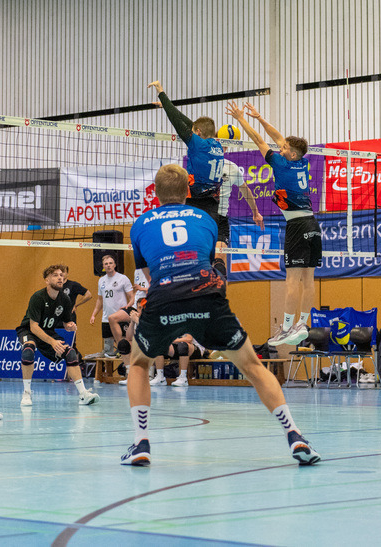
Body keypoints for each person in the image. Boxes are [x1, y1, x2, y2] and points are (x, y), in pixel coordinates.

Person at [120, 163, 319, 467]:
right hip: (207, 298)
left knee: (138, 363)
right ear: (188, 189)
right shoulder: (204, 218)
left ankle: (140, 443)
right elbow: (209, 261)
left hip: (164, 300)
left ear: (155, 193)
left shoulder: (140, 224)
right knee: (252, 365)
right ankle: (295, 435)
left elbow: (149, 273)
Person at [226, 101, 318, 347]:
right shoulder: (301, 162)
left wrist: (243, 119)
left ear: (291, 153)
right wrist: (260, 117)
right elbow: (278, 137)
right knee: (308, 281)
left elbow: (259, 140)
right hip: (312, 224)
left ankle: (287, 328)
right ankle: (302, 324)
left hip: (297, 227)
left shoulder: (281, 163)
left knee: (292, 281)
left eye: (285, 147)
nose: (281, 147)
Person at [148, 80, 227, 276]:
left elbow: (178, 122)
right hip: (212, 204)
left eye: (194, 132)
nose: (191, 133)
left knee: (193, 249)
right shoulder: (217, 145)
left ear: (198, 134)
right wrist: (166, 107)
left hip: (195, 203)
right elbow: (189, 123)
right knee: (206, 250)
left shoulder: (197, 144)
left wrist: (162, 94)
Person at [17, 263, 99, 408]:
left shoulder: (65, 299)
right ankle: (26, 393)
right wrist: (53, 342)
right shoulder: (38, 297)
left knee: (70, 353)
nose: (60, 278)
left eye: (61, 275)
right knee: (28, 350)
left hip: (48, 332)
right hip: (29, 331)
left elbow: (66, 321)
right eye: (55, 275)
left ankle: (83, 394)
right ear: (47, 280)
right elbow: (34, 327)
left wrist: (69, 326)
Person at [214, 158, 264, 274]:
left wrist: (255, 213)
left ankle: (221, 291)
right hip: (203, 218)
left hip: (220, 218)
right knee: (202, 261)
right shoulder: (198, 162)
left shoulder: (231, 167)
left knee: (219, 261)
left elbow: (245, 190)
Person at [89, 255, 133, 359]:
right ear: (103, 266)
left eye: (110, 263)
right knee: (107, 351)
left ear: (115, 265)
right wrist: (94, 314)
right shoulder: (101, 281)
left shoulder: (122, 278)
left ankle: (127, 367)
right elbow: (100, 300)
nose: (108, 265)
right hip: (106, 317)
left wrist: (128, 307)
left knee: (122, 345)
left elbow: (132, 296)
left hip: (119, 317)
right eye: (106, 264)